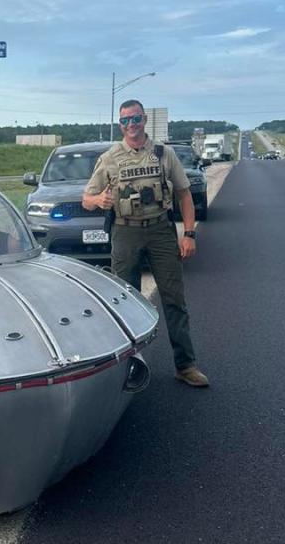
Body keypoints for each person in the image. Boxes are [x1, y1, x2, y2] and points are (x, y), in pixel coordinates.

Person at [81, 99, 209, 387]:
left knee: (174, 298)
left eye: (136, 119)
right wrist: (99, 200)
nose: (131, 125)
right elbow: (86, 199)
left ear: (144, 120)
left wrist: (188, 234)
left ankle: (185, 365)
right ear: (120, 124)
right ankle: (130, 366)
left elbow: (184, 194)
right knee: (125, 301)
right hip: (125, 233)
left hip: (161, 230)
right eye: (125, 121)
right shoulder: (111, 158)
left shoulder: (164, 154)